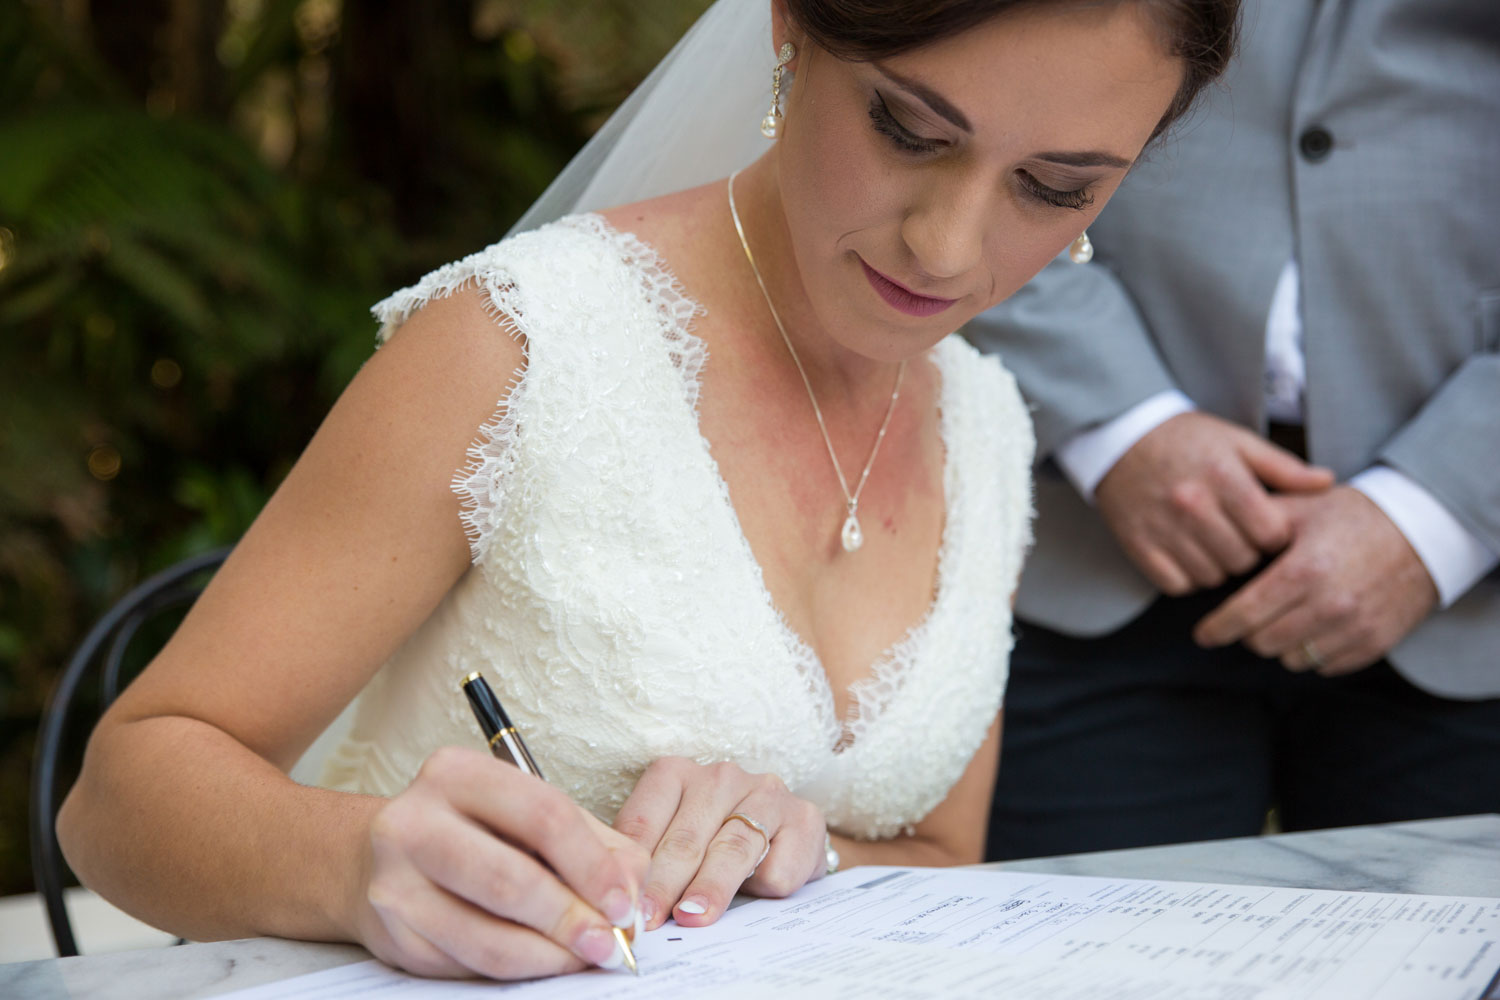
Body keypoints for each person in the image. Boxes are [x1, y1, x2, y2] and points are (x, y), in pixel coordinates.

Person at [56, 0, 1238, 982]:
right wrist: (360, 861)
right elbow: (117, 804)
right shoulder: (519, 346)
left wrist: (809, 849)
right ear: (790, 30)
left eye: (1056, 187)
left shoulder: (985, 424)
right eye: (909, 129)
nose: (948, 245)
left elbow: (940, 851)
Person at [970, 0, 1500, 862]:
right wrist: (1120, 420)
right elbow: (943, 89)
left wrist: (1440, 505)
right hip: (1091, 535)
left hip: (1471, 592)